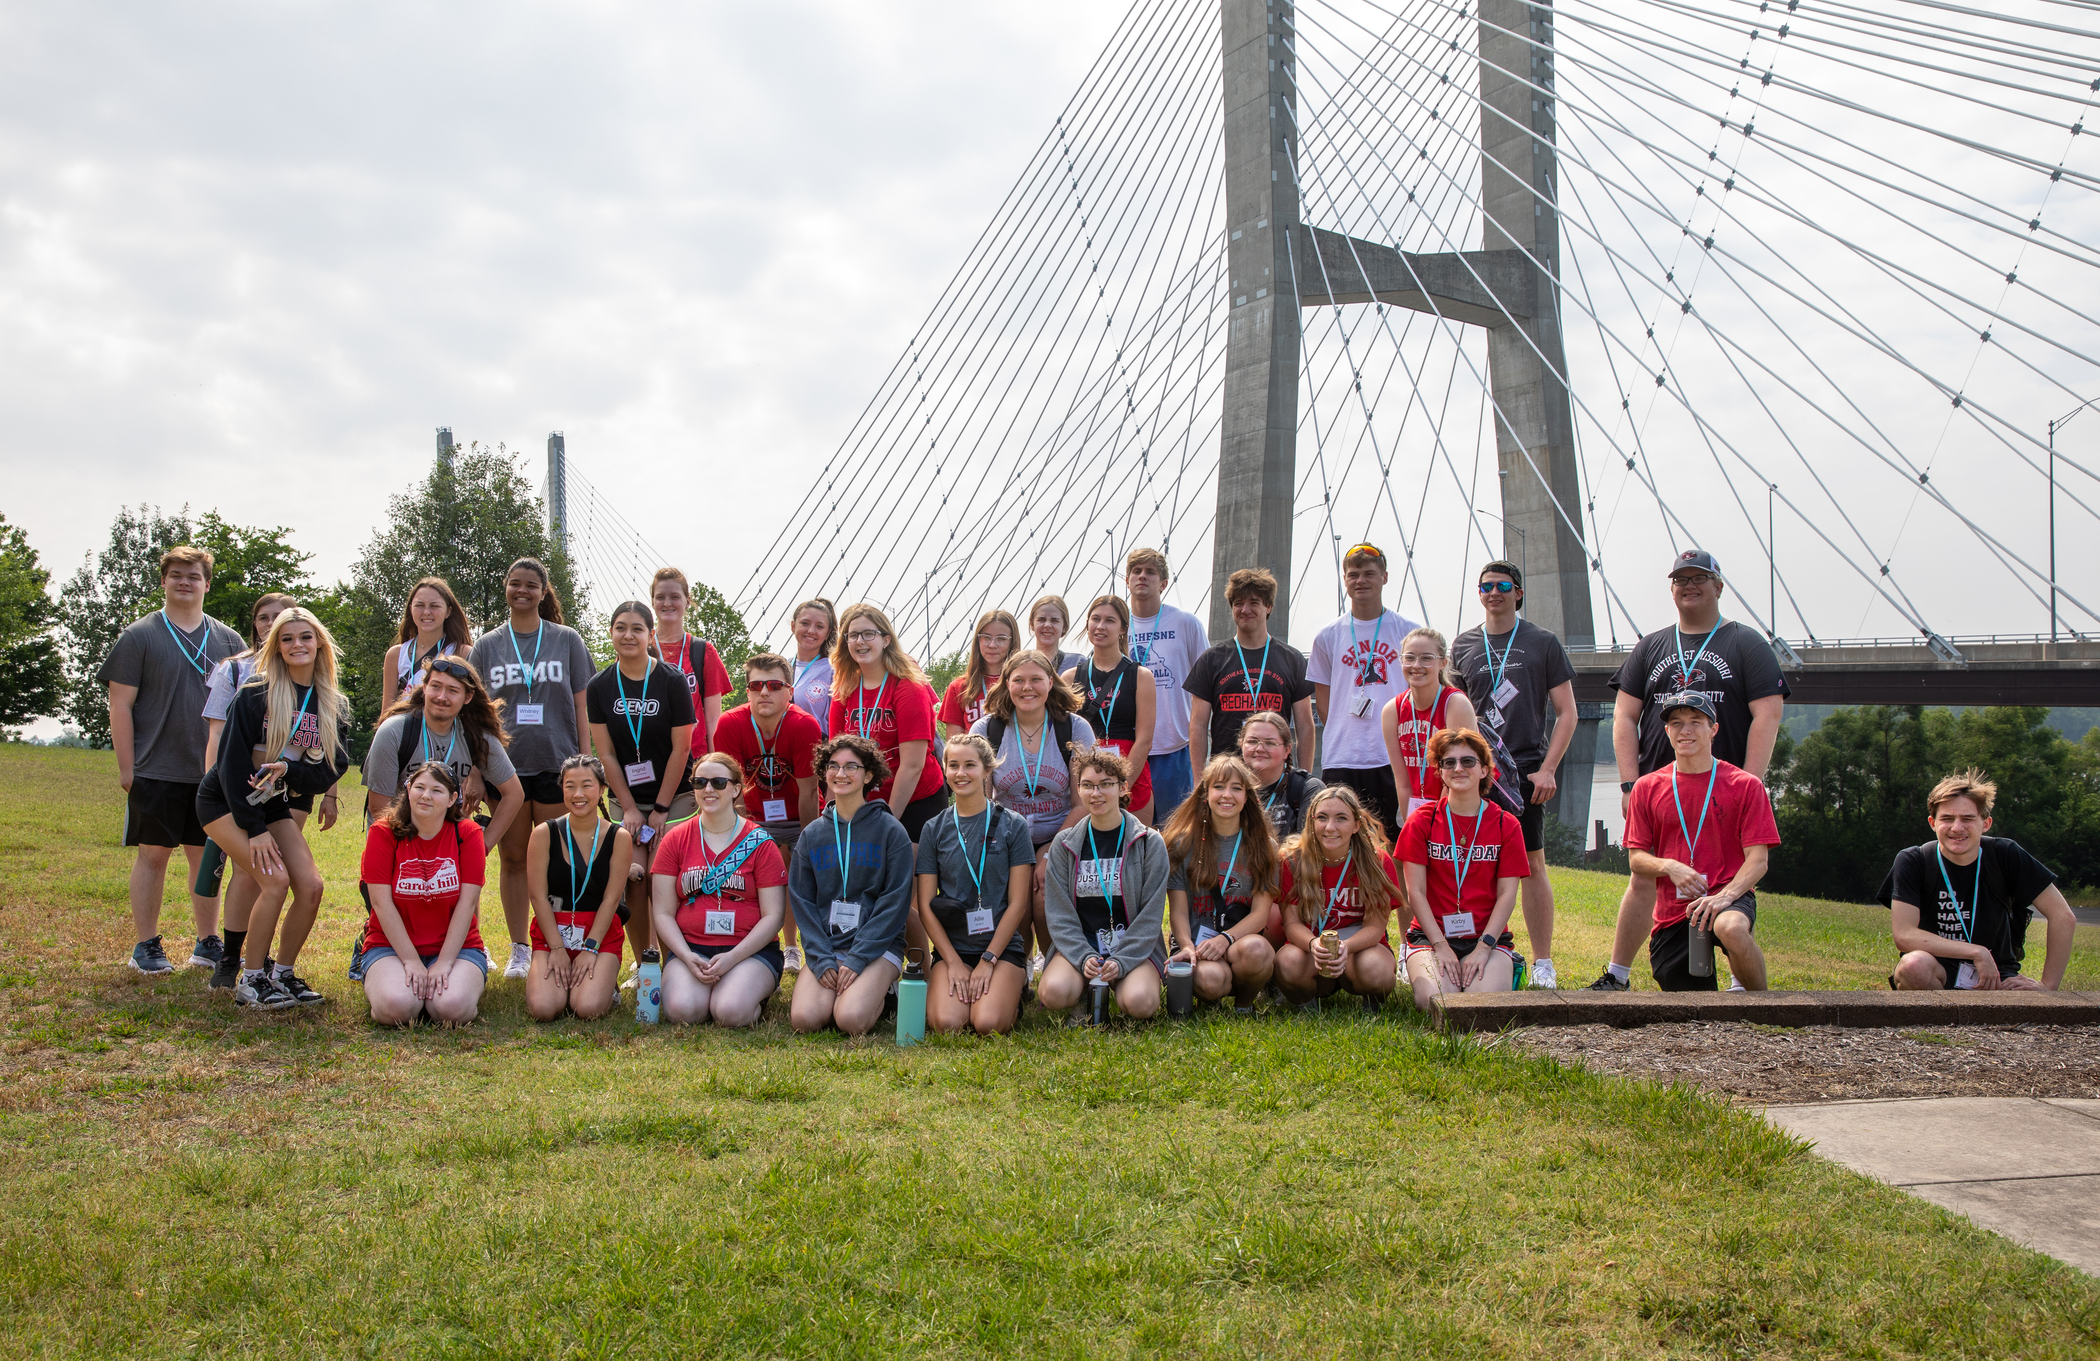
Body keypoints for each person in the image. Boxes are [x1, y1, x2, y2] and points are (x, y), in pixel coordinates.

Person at [1591, 550, 1789, 991]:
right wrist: (1629, 782)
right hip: (1661, 785)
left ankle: (1744, 986)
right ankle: (1617, 974)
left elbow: (1767, 715)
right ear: (1671, 587)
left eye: (1700, 577)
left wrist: (1750, 782)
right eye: (1680, 578)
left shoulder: (1745, 642)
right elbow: (1624, 716)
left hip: (1721, 785)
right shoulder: (1652, 644)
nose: (1689, 585)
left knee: (1730, 880)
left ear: (1719, 586)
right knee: (1645, 877)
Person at [99, 545, 245, 975]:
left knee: (207, 860)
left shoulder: (228, 640)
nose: (185, 581)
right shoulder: (139, 635)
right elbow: (120, 705)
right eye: (176, 574)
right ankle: (146, 944)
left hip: (210, 774)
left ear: (207, 584)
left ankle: (207, 941)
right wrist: (128, 768)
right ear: (163, 581)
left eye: (194, 575)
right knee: (153, 855)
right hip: (156, 768)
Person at [196, 608, 353, 1008]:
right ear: (276, 647)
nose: (297, 645)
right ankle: (251, 979)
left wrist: (291, 769)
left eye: (305, 636)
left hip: (274, 801)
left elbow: (332, 768)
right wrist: (254, 829)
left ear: (319, 643)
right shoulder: (254, 692)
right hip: (225, 803)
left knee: (311, 887)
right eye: (287, 639)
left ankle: (282, 973)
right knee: (274, 881)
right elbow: (229, 766)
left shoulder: (332, 703)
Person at [1449, 560, 1577, 990]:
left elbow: (1568, 713)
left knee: (1533, 865)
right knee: (1468, 861)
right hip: (1475, 770)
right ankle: (1470, 950)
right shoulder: (1464, 644)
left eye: (1503, 586)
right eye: (1486, 586)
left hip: (1524, 770)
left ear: (1518, 593)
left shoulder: (1542, 641)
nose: (1494, 592)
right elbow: (1454, 716)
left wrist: (1548, 769)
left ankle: (1543, 963)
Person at [468, 557, 596, 981]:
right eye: (514, 583)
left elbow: (582, 704)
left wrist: (585, 763)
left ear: (544, 592)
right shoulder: (487, 645)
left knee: (561, 860)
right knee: (514, 859)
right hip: (504, 769)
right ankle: (521, 948)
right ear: (505, 587)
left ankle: (560, 941)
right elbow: (476, 712)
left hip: (558, 766)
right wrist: (473, 768)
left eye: (530, 585)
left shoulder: (566, 639)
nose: (521, 591)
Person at [1621, 692, 1781, 992]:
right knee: (1691, 1004)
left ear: (1713, 729)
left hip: (1729, 895)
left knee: (1729, 928)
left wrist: (1725, 896)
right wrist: (1671, 867)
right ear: (1666, 731)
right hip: (1676, 909)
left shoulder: (1745, 785)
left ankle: (1765, 1008)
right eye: (1677, 723)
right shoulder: (1646, 787)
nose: (1686, 731)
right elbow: (1637, 859)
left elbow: (1758, 860)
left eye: (1696, 722)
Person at [1879, 770, 2077, 991]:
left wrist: (2048, 986)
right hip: (1938, 968)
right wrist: (1976, 951)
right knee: (1913, 966)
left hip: (1997, 974)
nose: (1957, 827)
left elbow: (2063, 916)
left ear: (1986, 823)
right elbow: (1905, 935)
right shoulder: (1913, 860)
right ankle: (1938, 1025)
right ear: (1932, 823)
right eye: (1947, 818)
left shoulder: (2006, 854)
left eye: (1967, 818)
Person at [971, 650, 1096, 976]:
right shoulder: (987, 730)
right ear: (1006, 684)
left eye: (1036, 679)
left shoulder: (1074, 729)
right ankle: (1020, 967)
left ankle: (1055, 965)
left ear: (1051, 682)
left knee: (1043, 898)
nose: (1028, 688)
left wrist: (1051, 851)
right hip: (1007, 835)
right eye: (1019, 680)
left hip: (1062, 832)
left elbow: (1083, 802)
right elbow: (980, 802)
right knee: (1019, 901)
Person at [587, 600, 697, 965]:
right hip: (628, 800)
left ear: (651, 635)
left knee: (661, 879)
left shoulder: (671, 680)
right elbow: (607, 756)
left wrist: (662, 808)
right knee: (632, 878)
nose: (628, 635)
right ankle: (644, 964)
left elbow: (682, 749)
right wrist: (631, 809)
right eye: (621, 627)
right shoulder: (599, 686)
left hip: (675, 795)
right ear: (611, 633)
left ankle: (674, 962)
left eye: (637, 628)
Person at [650, 752, 789, 1027]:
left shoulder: (760, 843)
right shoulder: (674, 839)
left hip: (748, 951)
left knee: (730, 1013)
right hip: (692, 948)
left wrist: (732, 958)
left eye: (718, 782)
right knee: (682, 1012)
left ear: (736, 788)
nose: (708, 789)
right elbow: (663, 912)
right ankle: (707, 987)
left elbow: (774, 916)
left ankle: (751, 992)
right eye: (700, 782)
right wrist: (686, 956)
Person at [789, 735, 915, 1036]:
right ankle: (845, 989)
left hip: (878, 946)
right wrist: (820, 958)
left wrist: (859, 958)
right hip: (829, 946)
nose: (841, 774)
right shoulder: (812, 834)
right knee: (806, 1019)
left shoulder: (890, 831)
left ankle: (885, 991)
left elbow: (894, 903)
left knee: (850, 1019)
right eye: (833, 766)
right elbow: (802, 901)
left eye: (851, 767)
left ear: (868, 775)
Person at [1396, 730, 1528, 1011]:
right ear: (1440, 772)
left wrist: (1483, 948)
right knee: (1437, 1003)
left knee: (1481, 1007)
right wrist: (1441, 946)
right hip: (1432, 937)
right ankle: (1425, 968)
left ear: (1484, 770)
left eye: (1468, 761)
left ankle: (1506, 967)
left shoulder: (1507, 825)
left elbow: (1507, 895)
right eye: (1448, 762)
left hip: (1486, 938)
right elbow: (1415, 892)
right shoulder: (1422, 821)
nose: (1458, 768)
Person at [711, 651, 824, 973]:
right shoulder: (730, 723)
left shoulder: (804, 725)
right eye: (756, 685)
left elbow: (808, 791)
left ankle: (791, 947)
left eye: (774, 685)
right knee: (756, 871)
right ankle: (750, 940)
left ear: (790, 691)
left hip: (795, 816)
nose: (764, 692)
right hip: (751, 815)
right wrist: (750, 835)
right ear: (746, 690)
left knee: (792, 871)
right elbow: (732, 789)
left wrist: (807, 839)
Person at [1039, 749, 1171, 1023]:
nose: (1095, 793)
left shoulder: (1149, 842)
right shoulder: (1064, 844)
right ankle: (1086, 987)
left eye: (1106, 785)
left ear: (1123, 787)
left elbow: (1151, 915)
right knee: (1053, 993)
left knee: (1139, 1003)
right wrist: (1082, 955)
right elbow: (1059, 914)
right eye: (1087, 785)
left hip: (1133, 945)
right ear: (1078, 789)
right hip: (1084, 941)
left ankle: (1120, 982)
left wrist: (1123, 960)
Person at [915, 735, 1036, 1035]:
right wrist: (954, 963)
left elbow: (1018, 903)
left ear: (986, 770)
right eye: (953, 765)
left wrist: (988, 960)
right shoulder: (934, 828)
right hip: (953, 947)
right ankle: (961, 983)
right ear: (944, 770)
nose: (961, 773)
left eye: (970, 765)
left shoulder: (1013, 825)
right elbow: (926, 907)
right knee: (947, 1024)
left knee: (988, 1024)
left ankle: (1013, 990)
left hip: (1000, 948)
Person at [359, 762, 489, 1026]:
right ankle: (396, 984)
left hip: (457, 947)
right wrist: (410, 960)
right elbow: (381, 904)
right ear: (408, 790)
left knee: (451, 1009)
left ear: (453, 798)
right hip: (391, 946)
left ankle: (437, 993)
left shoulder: (468, 834)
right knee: (396, 1009)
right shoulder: (383, 833)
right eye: (419, 787)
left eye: (437, 790)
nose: (426, 795)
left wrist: (444, 963)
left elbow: (467, 905)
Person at [1308, 543, 1418, 839]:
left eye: (1369, 573)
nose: (1361, 581)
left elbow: (1419, 694)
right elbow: (1323, 701)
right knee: (1343, 842)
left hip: (1393, 756)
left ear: (1384, 577)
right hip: (1343, 755)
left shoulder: (1408, 631)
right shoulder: (1327, 636)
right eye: (1353, 574)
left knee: (1399, 843)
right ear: (1344, 579)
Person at [1163, 755, 1279, 1012]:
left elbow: (1261, 914)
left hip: (1240, 941)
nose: (1227, 795)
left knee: (1258, 952)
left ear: (1247, 797)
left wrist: (1225, 939)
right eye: (1219, 787)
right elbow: (1179, 910)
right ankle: (1212, 993)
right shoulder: (1182, 845)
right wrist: (1186, 946)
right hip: (1197, 943)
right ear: (1205, 794)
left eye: (1236, 788)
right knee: (1211, 981)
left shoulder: (1264, 847)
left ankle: (1244, 1004)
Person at [1185, 568, 1316, 788]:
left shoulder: (1292, 659)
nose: (1245, 609)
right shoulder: (1211, 659)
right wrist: (1200, 781)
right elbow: (1198, 725)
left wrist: (1305, 781)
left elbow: (1305, 725)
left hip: (1277, 779)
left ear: (1268, 607)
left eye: (1254, 602)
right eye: (1238, 603)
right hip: (1226, 776)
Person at [523, 755, 631, 1020]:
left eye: (587, 785)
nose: (578, 794)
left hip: (599, 933)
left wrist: (591, 948)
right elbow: (537, 896)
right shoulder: (543, 834)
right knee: (544, 1009)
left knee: (587, 1008)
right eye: (570, 786)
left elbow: (611, 899)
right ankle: (572, 980)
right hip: (553, 933)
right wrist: (557, 949)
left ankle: (603, 984)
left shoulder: (619, 837)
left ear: (602, 789)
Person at [1275, 785, 1401, 1011]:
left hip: (1360, 949)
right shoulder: (1293, 861)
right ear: (1311, 822)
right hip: (1311, 948)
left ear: (1356, 825)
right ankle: (1307, 1004)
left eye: (1341, 818)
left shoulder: (1377, 862)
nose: (1330, 827)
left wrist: (1346, 948)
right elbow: (1291, 923)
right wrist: (1313, 944)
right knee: (1287, 964)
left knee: (1377, 971)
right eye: (1322, 817)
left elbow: (1376, 926)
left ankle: (1372, 1004)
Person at [828, 603, 948, 839]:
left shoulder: (908, 686)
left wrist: (888, 823)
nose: (860, 641)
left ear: (885, 640)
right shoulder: (845, 688)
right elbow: (835, 761)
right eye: (853, 635)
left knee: (908, 872)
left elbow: (913, 765)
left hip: (914, 798)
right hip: (861, 799)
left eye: (868, 634)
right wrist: (832, 816)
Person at [1124, 547, 1209, 821]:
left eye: (1150, 572)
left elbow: (1207, 683)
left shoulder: (1186, 623)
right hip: (1130, 747)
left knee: (1176, 835)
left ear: (1163, 583)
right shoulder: (1116, 623)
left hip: (1175, 747)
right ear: (1127, 580)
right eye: (1136, 571)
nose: (1142, 577)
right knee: (1130, 835)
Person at [1065, 594, 1157, 825]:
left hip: (1130, 773)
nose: (1100, 626)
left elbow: (1145, 740)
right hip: (1086, 774)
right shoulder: (1069, 678)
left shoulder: (1141, 676)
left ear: (1123, 629)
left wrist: (1121, 785)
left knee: (1134, 852)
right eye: (1095, 619)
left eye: (1109, 620)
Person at [1381, 627, 1480, 822]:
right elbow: (1402, 782)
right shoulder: (1392, 710)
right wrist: (1413, 826)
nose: (1416, 665)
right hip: (1418, 812)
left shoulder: (1455, 704)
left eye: (1426, 658)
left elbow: (1458, 775)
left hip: (1457, 812)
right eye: (1409, 658)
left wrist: (1435, 825)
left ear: (1443, 663)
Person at [651, 567, 733, 750]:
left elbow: (713, 720)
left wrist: (714, 764)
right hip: (651, 756)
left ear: (687, 602)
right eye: (660, 597)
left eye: (674, 597)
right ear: (652, 602)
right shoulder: (641, 648)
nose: (667, 603)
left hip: (694, 758)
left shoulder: (703, 651)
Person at [379, 577, 473, 712]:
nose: (426, 612)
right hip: (405, 731)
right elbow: (387, 714)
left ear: (448, 611)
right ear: (411, 609)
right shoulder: (396, 655)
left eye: (434, 606)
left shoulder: (463, 653)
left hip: (446, 731)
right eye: (420, 605)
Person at [1238, 710, 1323, 841]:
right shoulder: (1230, 788)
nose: (1260, 749)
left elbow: (1309, 849)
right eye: (1252, 741)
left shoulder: (1307, 788)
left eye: (1270, 743)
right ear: (1241, 745)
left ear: (1287, 750)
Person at [939, 609, 1018, 740]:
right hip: (975, 759)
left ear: (1012, 642)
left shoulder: (1022, 685)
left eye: (1001, 639)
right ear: (978, 641)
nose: (992, 645)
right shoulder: (959, 687)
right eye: (986, 637)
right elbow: (954, 746)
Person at [788, 597, 838, 737]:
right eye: (805, 623)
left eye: (819, 626)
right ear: (793, 626)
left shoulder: (834, 670)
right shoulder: (781, 667)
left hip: (817, 750)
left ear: (827, 633)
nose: (811, 630)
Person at [1027, 595, 1081, 675]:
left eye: (1054, 620)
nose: (1047, 625)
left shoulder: (1077, 663)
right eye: (1041, 620)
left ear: (1064, 627)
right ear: (1032, 624)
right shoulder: (1020, 664)